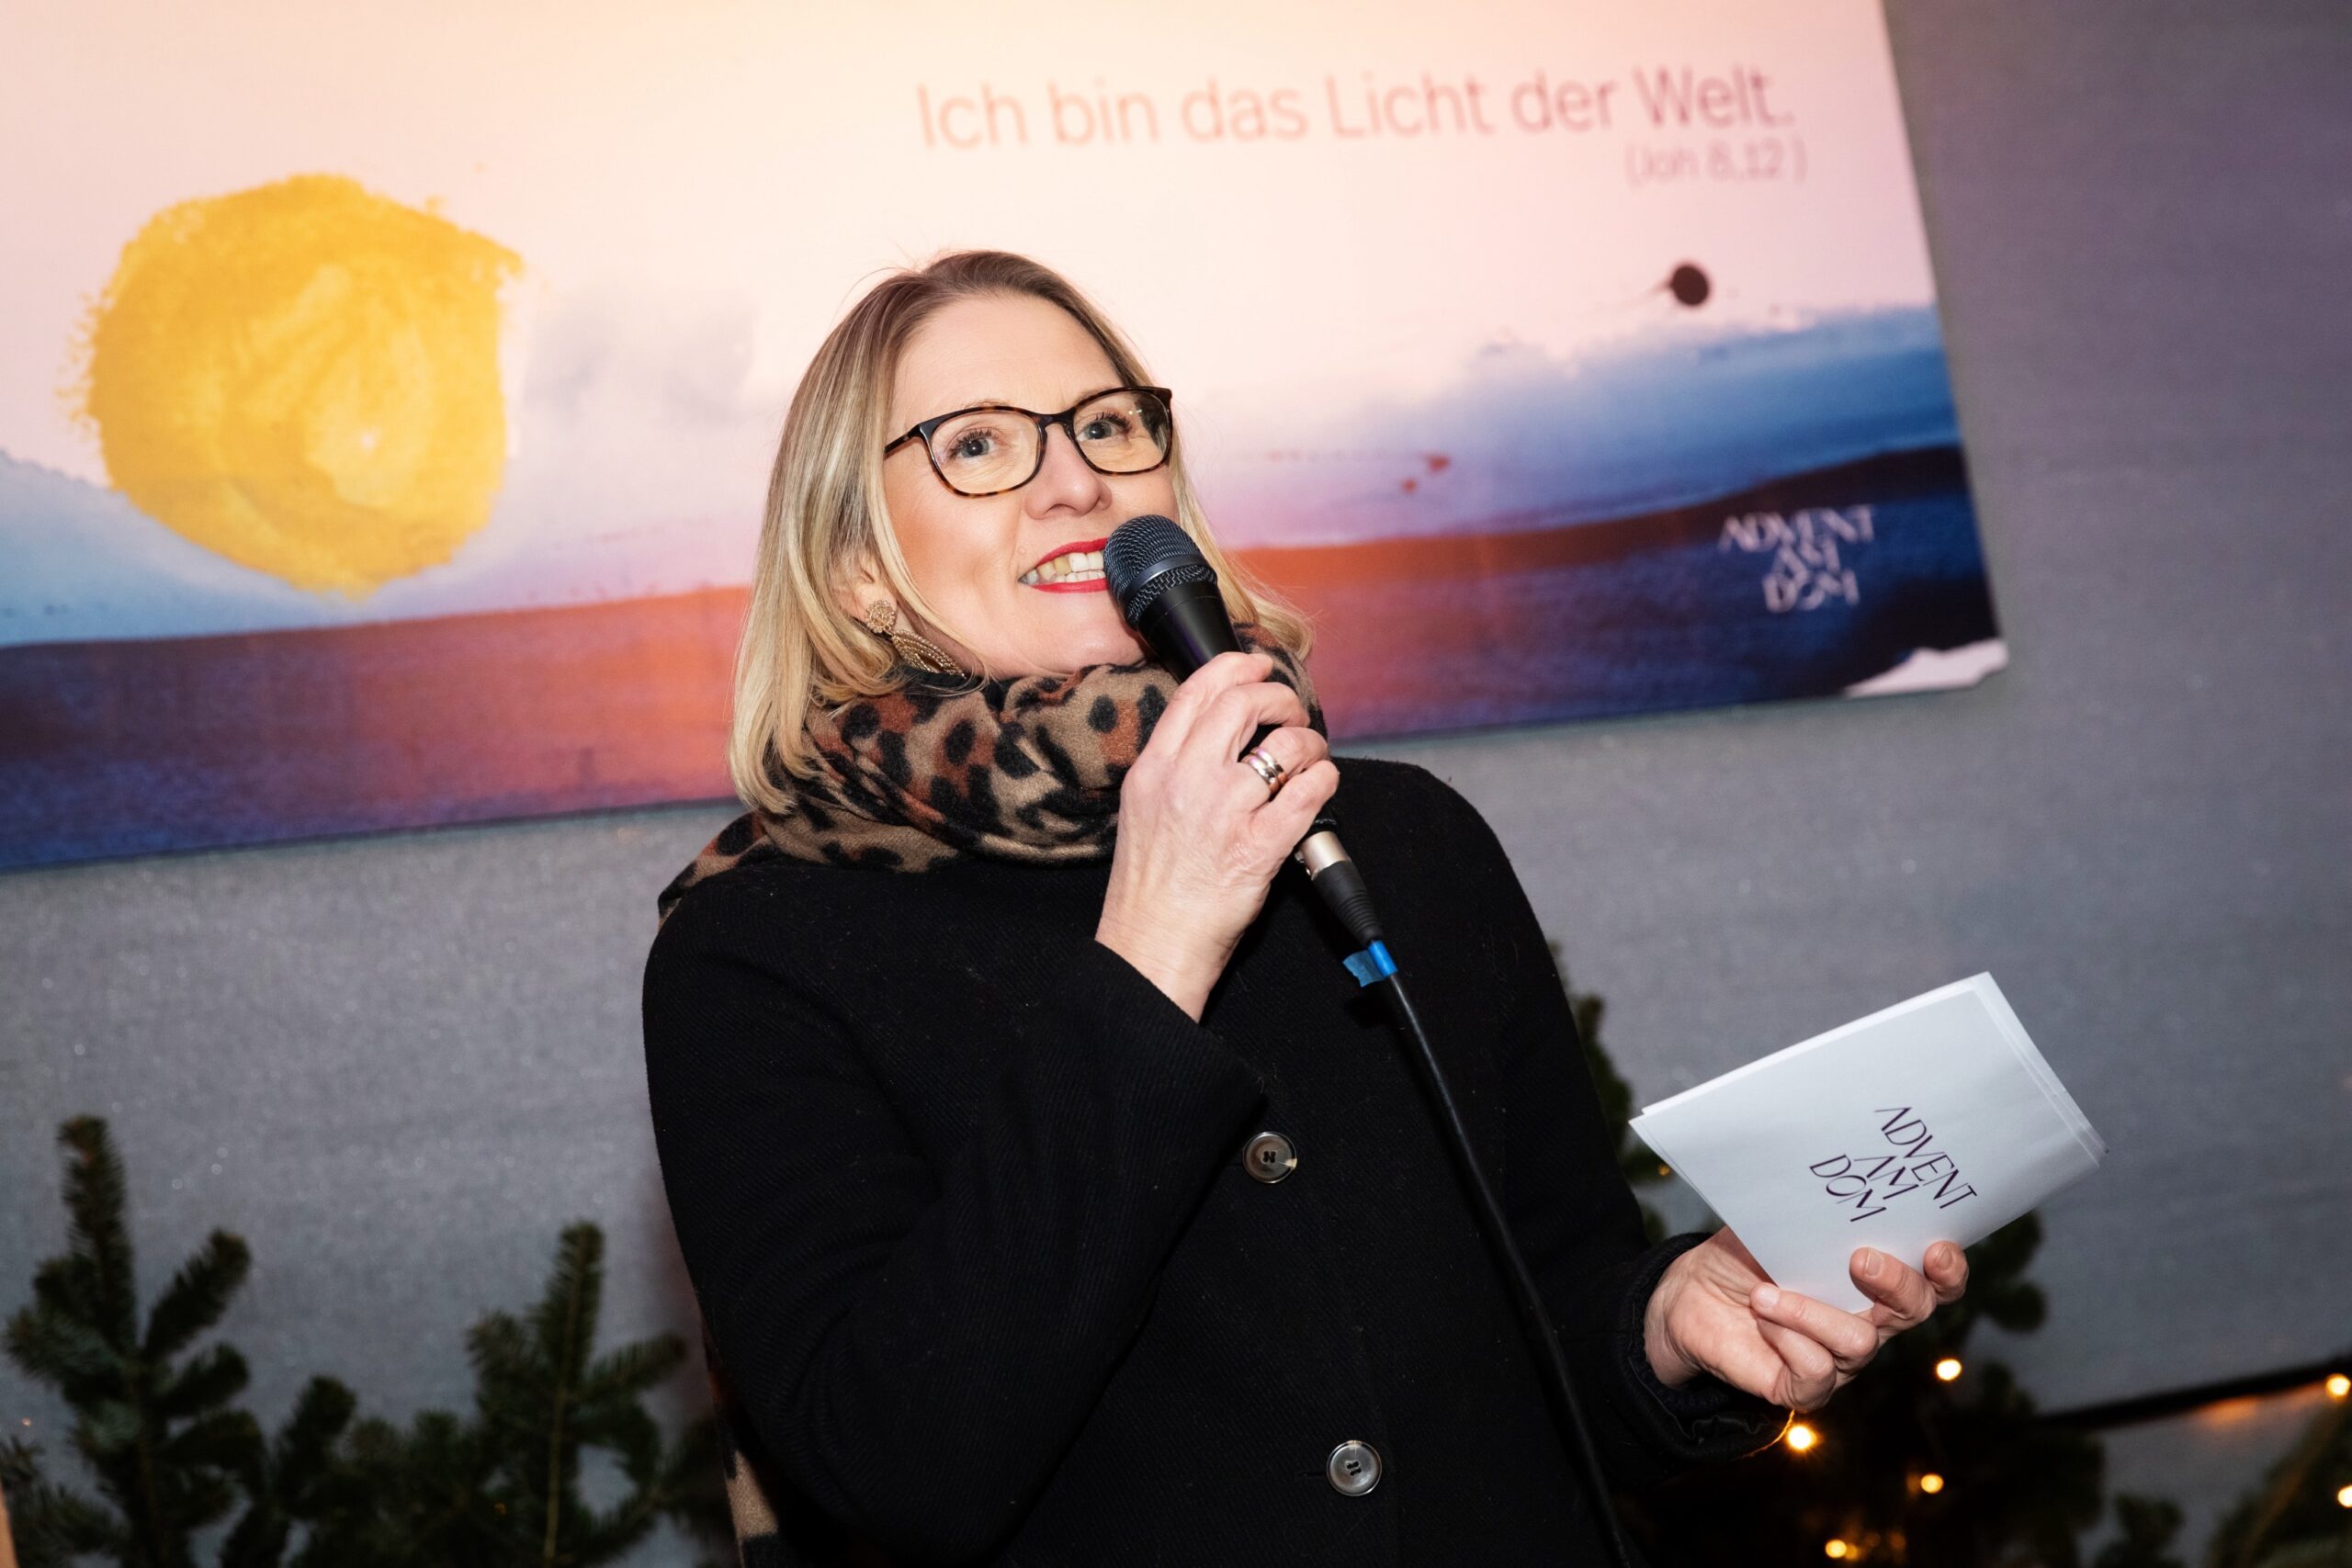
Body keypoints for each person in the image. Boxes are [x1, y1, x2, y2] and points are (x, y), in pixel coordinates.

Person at [640, 250, 1970, 1567]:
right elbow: (893, 1468)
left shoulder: (1401, 836)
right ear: (859, 570)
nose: (1075, 479)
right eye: (978, 444)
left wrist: (1671, 1328)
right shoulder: (757, 954)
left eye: (1108, 425)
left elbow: (1551, 1326)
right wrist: (1155, 945)